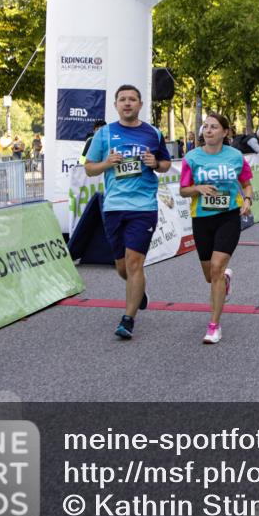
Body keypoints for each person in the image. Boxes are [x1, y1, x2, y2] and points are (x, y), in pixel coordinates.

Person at [84, 84, 172, 340]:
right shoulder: (105, 134)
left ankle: (128, 319)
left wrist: (155, 163)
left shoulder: (152, 133)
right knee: (122, 267)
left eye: (132, 99)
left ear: (140, 104)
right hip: (113, 207)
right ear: (116, 105)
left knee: (134, 262)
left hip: (143, 207)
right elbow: (89, 168)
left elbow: (165, 164)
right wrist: (106, 163)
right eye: (122, 99)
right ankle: (139, 289)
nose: (127, 103)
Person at [180, 113, 253, 344]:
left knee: (217, 267)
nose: (208, 131)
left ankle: (214, 326)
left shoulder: (236, 157)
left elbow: (247, 184)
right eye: (206, 127)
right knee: (209, 275)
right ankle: (225, 281)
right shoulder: (191, 158)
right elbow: (183, 190)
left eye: (214, 127)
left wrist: (248, 201)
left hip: (228, 217)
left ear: (225, 132)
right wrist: (197, 188)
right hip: (201, 218)